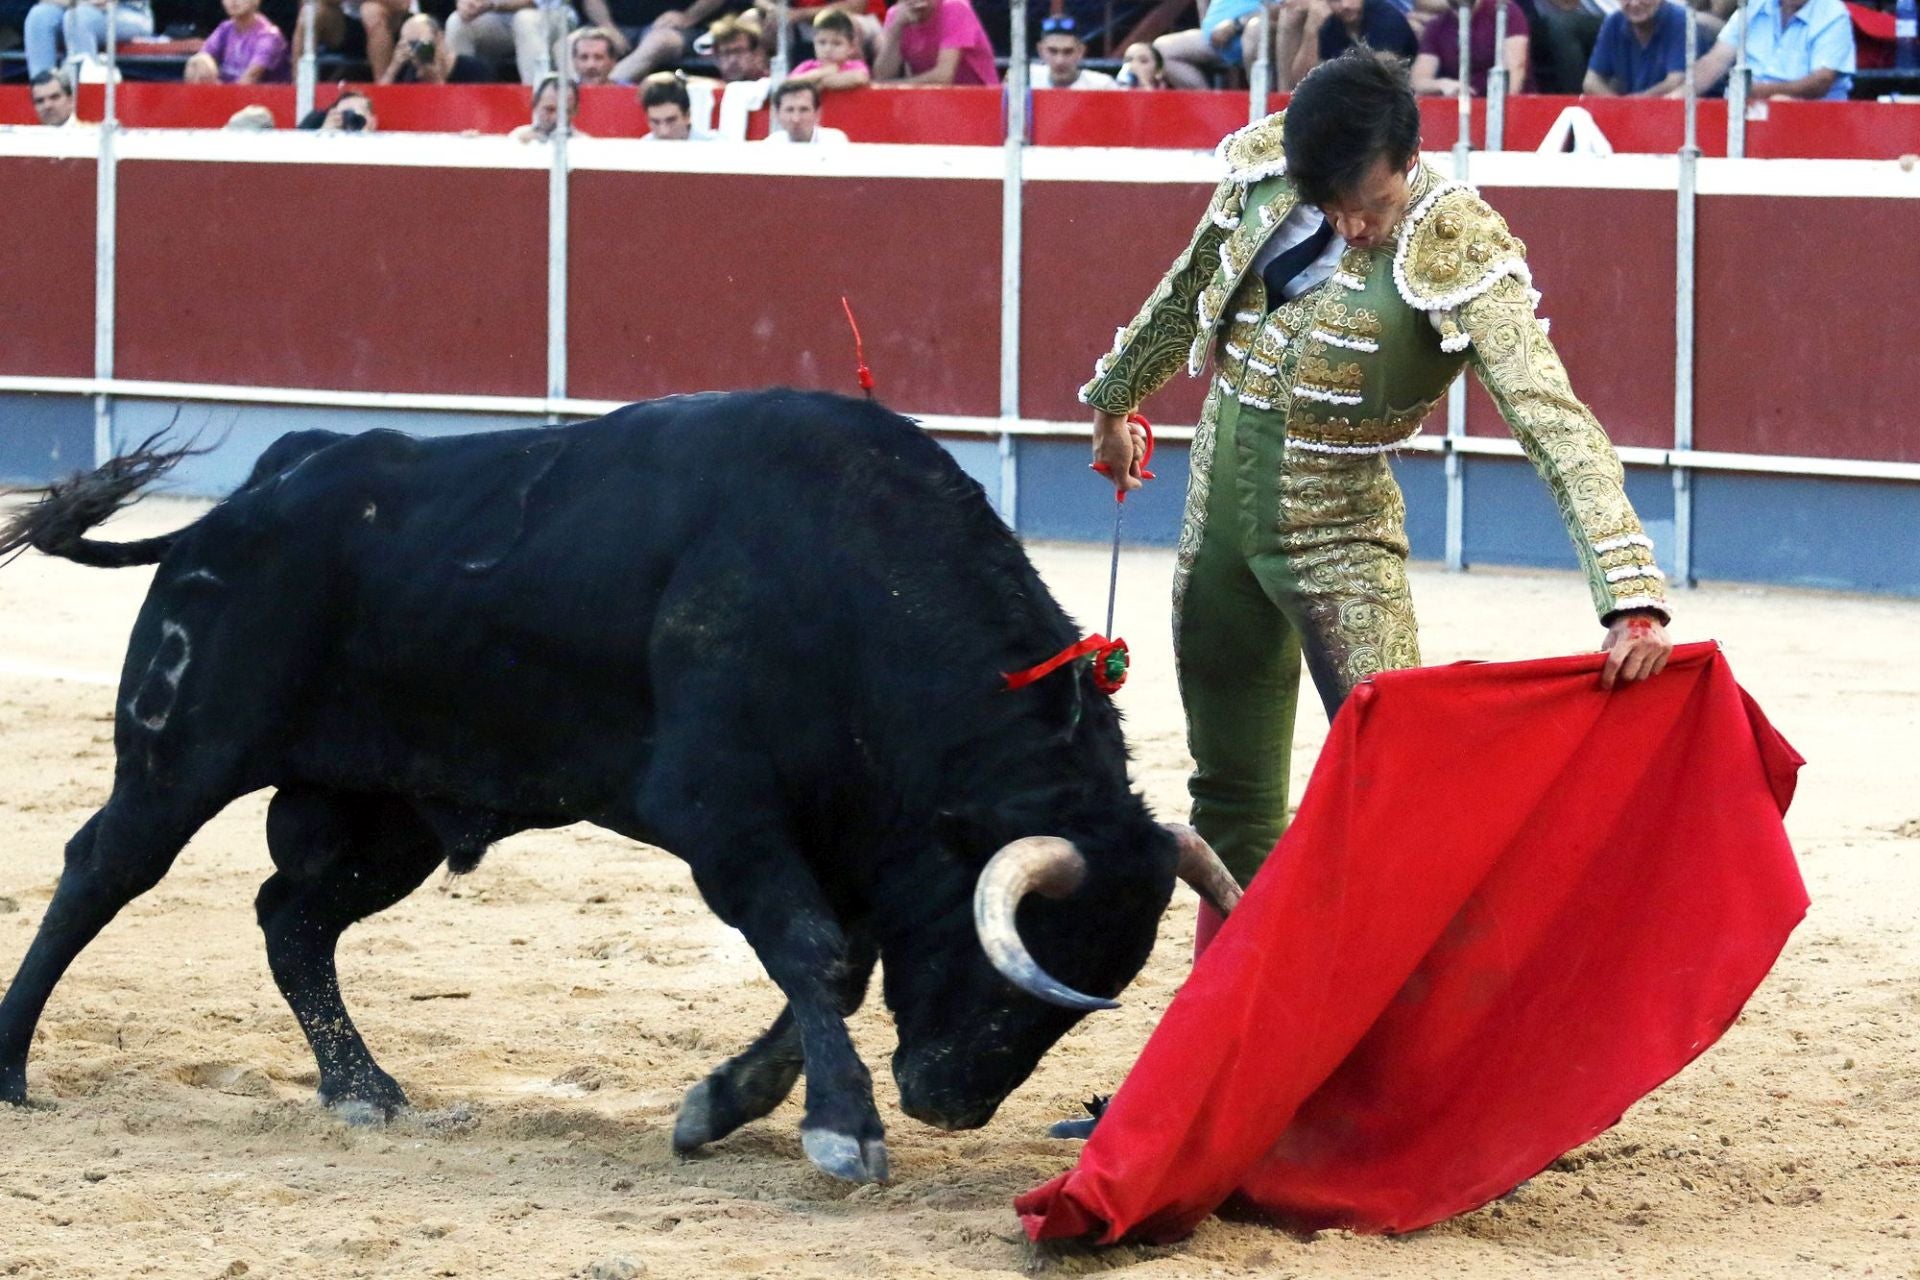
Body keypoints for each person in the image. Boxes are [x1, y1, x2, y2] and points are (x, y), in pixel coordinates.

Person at [1081, 47, 1670, 914]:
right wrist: (1113, 405)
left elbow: (1553, 418)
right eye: (1332, 207)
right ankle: (1242, 1025)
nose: (1353, 226)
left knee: (1401, 792)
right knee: (1231, 800)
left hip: (1340, 532)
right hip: (1217, 517)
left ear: (1409, 159)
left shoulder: (1458, 239)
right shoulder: (1269, 171)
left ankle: (1408, 1021)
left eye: (1374, 204)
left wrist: (1632, 596)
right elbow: (1187, 293)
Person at [1679, 0, 1854, 99]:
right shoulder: (1754, 5)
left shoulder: (1834, 13)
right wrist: (1678, 96)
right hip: (1745, 112)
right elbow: (1715, 61)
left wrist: (1757, 92)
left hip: (1813, 120)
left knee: (1782, 102)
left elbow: (1821, 81)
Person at [1276, 0, 1418, 89]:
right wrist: (1312, 30)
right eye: (1335, 0)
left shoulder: (1386, 17)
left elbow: (1380, 75)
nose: (1346, 5)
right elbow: (1301, 82)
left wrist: (1329, 72)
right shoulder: (1327, 21)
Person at [289, 0, 411, 91]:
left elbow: (402, 5)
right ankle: (299, 89)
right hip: (344, 25)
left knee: (371, 11)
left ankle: (384, 89)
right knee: (309, 13)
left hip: (391, 25)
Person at [1410, 0, 1528, 94]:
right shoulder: (1437, 26)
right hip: (1460, 106)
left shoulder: (1504, 12)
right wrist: (1442, 85)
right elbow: (1418, 81)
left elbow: (1516, 70)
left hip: (1507, 108)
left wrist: (1504, 110)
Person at [446, 0, 575, 84]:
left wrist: (492, 4)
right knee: (456, 22)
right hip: (498, 18)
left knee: (525, 20)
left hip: (553, 15)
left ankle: (538, 99)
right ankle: (462, 100)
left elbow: (538, 2)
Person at [1154, 0, 1272, 90]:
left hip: (1256, 32)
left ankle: (1262, 108)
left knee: (1255, 29)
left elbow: (1282, 6)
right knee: (1161, 50)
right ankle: (1209, 108)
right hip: (1216, 39)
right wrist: (1208, 26)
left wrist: (1236, 24)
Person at [874, 0, 999, 86]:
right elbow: (882, 75)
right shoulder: (895, 15)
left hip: (979, 100)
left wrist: (895, 86)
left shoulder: (955, 8)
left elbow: (943, 76)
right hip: (932, 103)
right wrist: (896, 28)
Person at [1583, 0, 1693, 95]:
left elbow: (1676, 82)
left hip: (1674, 112)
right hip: (1629, 111)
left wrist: (1636, 104)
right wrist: (1620, 106)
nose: (1634, 3)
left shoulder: (1681, 20)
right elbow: (1591, 81)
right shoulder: (1613, 22)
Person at [23, 0, 152, 77]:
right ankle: (42, 89)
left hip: (130, 13)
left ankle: (83, 93)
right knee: (39, 16)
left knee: (78, 18)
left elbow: (102, 1)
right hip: (77, 7)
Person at [185, 0, 291, 83]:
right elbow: (203, 56)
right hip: (227, 95)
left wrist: (218, 91)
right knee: (197, 63)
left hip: (261, 103)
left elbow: (250, 78)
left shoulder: (269, 36)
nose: (233, 1)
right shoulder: (225, 29)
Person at [380, 13, 497, 81]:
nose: (418, 51)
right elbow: (379, 106)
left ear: (440, 38)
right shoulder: (408, 71)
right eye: (411, 45)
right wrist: (393, 68)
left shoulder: (476, 69)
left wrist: (436, 80)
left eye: (423, 44)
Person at [787, 6, 871, 88]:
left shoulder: (854, 66)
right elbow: (789, 83)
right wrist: (822, 72)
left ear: (851, 47)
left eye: (837, 43)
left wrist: (821, 83)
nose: (828, 49)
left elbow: (860, 78)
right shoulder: (807, 66)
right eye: (822, 43)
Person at [1032, 13, 1117, 88]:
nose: (1060, 61)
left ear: (1081, 51)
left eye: (1068, 52)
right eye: (1053, 51)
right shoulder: (1026, 80)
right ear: (1040, 51)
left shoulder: (1102, 86)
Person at [762, 77, 848, 141]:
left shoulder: (834, 141)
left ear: (817, 113)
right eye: (789, 110)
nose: (796, 119)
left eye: (804, 110)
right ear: (777, 114)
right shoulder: (771, 145)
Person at [636, 68, 711, 137]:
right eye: (655, 122)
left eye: (671, 120)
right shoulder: (642, 147)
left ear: (687, 116)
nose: (664, 132)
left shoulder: (714, 147)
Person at [511, 72, 586, 138]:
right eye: (549, 110)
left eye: (564, 111)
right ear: (535, 105)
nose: (555, 117)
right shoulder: (518, 137)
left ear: (575, 111)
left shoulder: (584, 146)